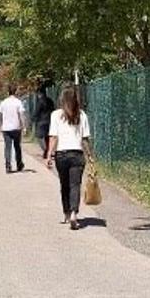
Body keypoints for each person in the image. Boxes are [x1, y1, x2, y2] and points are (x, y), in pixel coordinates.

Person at [46, 85, 92, 230]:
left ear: (62, 100)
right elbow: (85, 139)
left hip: (62, 155)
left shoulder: (56, 115)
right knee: (75, 185)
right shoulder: (82, 115)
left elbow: (53, 137)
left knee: (64, 185)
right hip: (77, 154)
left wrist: (49, 155)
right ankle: (74, 213)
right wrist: (90, 155)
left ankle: (66, 213)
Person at [0, 87, 27, 173]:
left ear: (8, 92)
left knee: (7, 147)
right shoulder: (18, 102)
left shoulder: (3, 102)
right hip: (16, 127)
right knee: (17, 147)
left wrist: (0, 125)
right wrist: (24, 126)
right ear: (16, 92)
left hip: (6, 128)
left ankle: (8, 165)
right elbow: (21, 115)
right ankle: (19, 164)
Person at [31, 85, 55, 156]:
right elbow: (53, 109)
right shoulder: (50, 101)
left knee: (39, 136)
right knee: (47, 137)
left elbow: (37, 111)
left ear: (39, 93)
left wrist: (33, 118)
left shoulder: (40, 101)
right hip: (50, 121)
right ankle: (48, 149)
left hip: (41, 121)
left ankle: (46, 149)